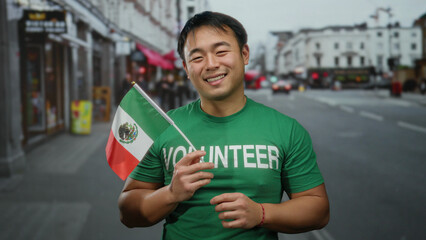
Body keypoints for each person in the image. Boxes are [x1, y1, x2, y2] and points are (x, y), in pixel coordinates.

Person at [118, 11, 329, 240]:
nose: (211, 64)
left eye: (221, 52)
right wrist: (170, 193)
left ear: (244, 54)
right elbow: (127, 212)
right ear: (186, 68)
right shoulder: (163, 127)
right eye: (197, 58)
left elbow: (318, 210)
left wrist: (261, 213)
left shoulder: (286, 129)